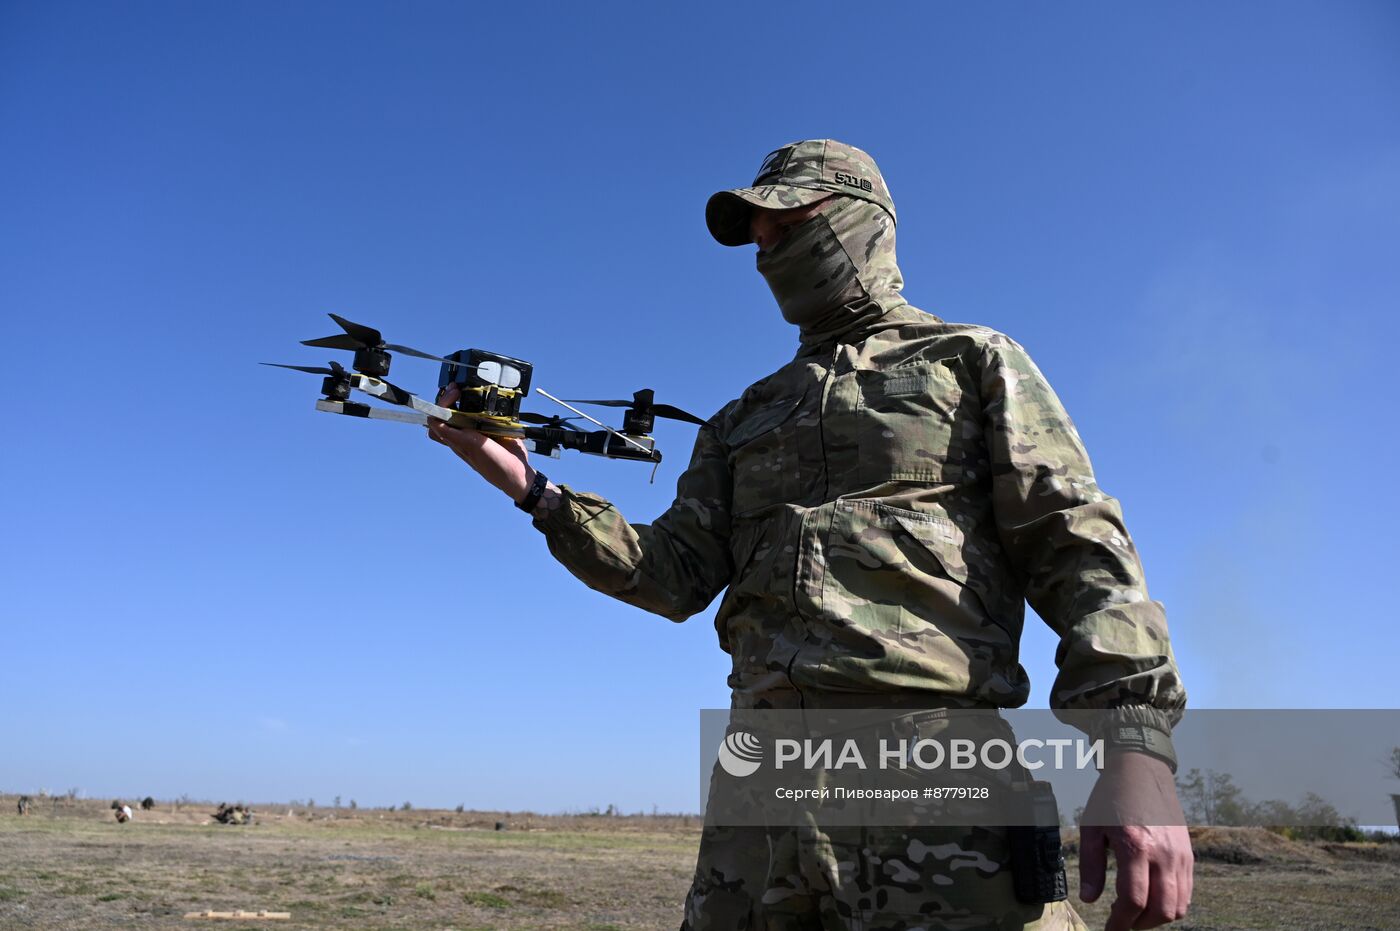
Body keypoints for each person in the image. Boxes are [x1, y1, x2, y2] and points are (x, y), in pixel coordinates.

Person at [428, 139, 1191, 931]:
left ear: (859, 220)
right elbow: (673, 573)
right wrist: (533, 489)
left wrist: (1133, 748)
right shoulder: (741, 418)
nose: (765, 249)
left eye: (786, 223)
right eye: (756, 236)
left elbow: (1076, 544)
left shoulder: (973, 361)